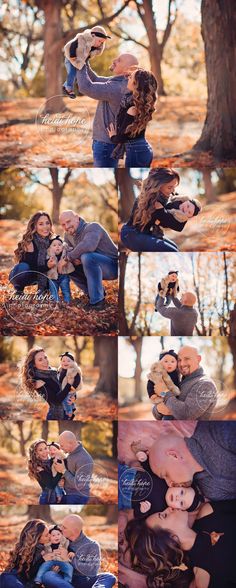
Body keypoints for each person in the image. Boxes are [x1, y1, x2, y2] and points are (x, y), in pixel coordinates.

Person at [124, 500, 236, 588]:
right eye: (164, 515)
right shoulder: (205, 579)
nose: (169, 508)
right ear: (171, 539)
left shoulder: (208, 512)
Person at [76, 52, 139, 167]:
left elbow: (85, 87)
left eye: (119, 60)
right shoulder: (119, 82)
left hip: (106, 144)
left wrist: (79, 64)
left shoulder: (117, 88)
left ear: (127, 70)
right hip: (106, 142)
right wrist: (84, 61)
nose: (114, 60)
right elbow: (95, 79)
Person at [148, 421, 236, 500]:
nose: (169, 484)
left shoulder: (217, 432)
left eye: (165, 475)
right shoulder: (210, 490)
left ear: (174, 455)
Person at [59, 210, 118, 311]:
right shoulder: (68, 235)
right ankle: (94, 293)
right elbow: (67, 252)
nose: (66, 226)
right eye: (63, 224)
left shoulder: (93, 227)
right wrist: (70, 260)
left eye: (68, 222)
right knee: (69, 266)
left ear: (77, 218)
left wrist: (68, 258)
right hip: (92, 266)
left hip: (113, 266)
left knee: (87, 257)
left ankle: (97, 302)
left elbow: (88, 245)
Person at [120, 169, 187, 252]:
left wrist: (188, 207)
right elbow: (176, 226)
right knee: (172, 250)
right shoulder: (152, 201)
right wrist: (184, 213)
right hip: (131, 235)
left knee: (175, 247)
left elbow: (175, 221)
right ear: (158, 186)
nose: (173, 191)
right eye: (170, 187)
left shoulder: (163, 197)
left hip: (145, 232)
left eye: (174, 187)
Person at [42, 514, 116, 588]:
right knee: (48, 576)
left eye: (64, 527)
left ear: (75, 530)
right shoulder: (59, 540)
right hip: (64, 580)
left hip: (84, 580)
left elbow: (92, 571)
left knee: (109, 577)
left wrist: (69, 558)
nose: (61, 529)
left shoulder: (92, 545)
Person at [150, 346, 218, 421]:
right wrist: (158, 409)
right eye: (179, 360)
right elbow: (156, 413)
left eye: (187, 359)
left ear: (198, 359)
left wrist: (165, 392)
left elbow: (186, 415)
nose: (182, 364)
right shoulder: (178, 382)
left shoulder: (206, 384)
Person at [106, 68, 157, 167]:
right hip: (141, 149)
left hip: (137, 151)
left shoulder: (133, 109)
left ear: (136, 84)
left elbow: (123, 137)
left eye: (130, 77)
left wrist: (113, 136)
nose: (128, 78)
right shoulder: (134, 104)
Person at [19, 347, 72, 420]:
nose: (45, 361)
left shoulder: (52, 371)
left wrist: (72, 398)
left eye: (45, 357)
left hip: (67, 411)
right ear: (34, 364)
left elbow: (64, 389)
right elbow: (56, 400)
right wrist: (69, 384)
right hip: (56, 415)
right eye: (40, 360)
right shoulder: (38, 381)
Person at [9, 212, 55, 295]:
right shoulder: (29, 242)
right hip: (25, 274)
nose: (45, 227)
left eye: (47, 223)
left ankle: (45, 288)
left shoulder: (53, 241)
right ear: (34, 226)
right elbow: (32, 268)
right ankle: (19, 288)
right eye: (41, 224)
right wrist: (47, 266)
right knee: (23, 266)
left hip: (40, 275)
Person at [63, 26, 111, 99]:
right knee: (72, 73)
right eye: (99, 41)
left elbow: (87, 54)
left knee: (79, 73)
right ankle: (68, 89)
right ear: (93, 36)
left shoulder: (93, 45)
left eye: (102, 42)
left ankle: (66, 86)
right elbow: (73, 46)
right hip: (71, 58)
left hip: (81, 59)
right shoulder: (81, 38)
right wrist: (73, 56)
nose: (100, 44)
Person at [0, 520, 50, 588]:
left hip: (24, 584)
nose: (50, 536)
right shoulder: (25, 550)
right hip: (14, 580)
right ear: (36, 538)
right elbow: (27, 575)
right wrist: (43, 559)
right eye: (46, 535)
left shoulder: (48, 549)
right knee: (6, 578)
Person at [53, 431, 94, 504]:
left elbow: (79, 484)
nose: (61, 448)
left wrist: (63, 471)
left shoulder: (84, 459)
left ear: (70, 443)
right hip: (69, 493)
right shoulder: (71, 453)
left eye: (62, 446)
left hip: (77, 496)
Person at [147, 350, 180, 421]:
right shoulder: (157, 374)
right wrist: (152, 394)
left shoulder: (178, 375)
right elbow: (150, 384)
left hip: (173, 399)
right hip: (160, 398)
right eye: (166, 361)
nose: (169, 364)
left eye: (172, 361)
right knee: (167, 416)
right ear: (160, 363)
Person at [28, 440, 64, 505]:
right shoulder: (38, 467)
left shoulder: (51, 461)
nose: (45, 452)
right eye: (40, 450)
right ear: (35, 453)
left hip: (59, 493)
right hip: (49, 497)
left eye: (45, 448)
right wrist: (61, 471)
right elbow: (51, 485)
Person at [46, 236, 75, 303]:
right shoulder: (48, 254)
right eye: (54, 245)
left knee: (66, 291)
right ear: (50, 248)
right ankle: (56, 303)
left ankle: (67, 303)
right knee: (54, 292)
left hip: (64, 276)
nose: (57, 246)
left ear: (63, 246)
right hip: (52, 277)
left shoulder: (66, 253)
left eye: (59, 245)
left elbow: (71, 249)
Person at [58, 352, 82, 420]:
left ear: (73, 362)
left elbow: (78, 379)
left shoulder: (73, 371)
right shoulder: (60, 370)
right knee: (67, 401)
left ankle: (69, 412)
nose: (65, 362)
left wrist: (73, 387)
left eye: (68, 361)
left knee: (67, 401)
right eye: (63, 361)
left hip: (70, 390)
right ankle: (70, 410)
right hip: (63, 390)